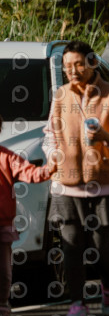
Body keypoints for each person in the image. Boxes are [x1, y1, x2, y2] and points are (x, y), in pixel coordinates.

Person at [43, 40, 109, 316]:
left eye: (78, 64)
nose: (71, 71)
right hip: (66, 185)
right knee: (71, 246)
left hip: (103, 184)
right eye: (66, 66)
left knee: (99, 246)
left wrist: (105, 137)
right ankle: (77, 304)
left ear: (92, 63)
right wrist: (53, 155)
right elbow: (50, 135)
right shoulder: (61, 96)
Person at [0, 115, 53, 316]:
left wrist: (49, 169)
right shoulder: (6, 156)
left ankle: (2, 303)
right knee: (4, 269)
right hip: (5, 222)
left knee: (4, 270)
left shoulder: (6, 157)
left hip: (3, 223)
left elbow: (29, 172)